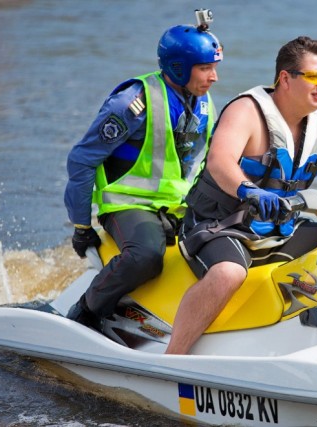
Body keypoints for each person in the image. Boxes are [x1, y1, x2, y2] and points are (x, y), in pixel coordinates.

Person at [166, 36, 317, 355]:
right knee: (229, 272)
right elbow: (220, 161)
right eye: (313, 76)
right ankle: (174, 356)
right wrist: (249, 190)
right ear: (285, 78)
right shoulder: (246, 112)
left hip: (279, 230)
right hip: (220, 225)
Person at [63, 19, 223, 330]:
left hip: (177, 205)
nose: (214, 77)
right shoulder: (132, 102)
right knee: (146, 257)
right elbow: (81, 160)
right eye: (205, 68)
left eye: (214, 67)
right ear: (178, 67)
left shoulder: (203, 101)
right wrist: (81, 226)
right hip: (128, 205)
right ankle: (85, 312)